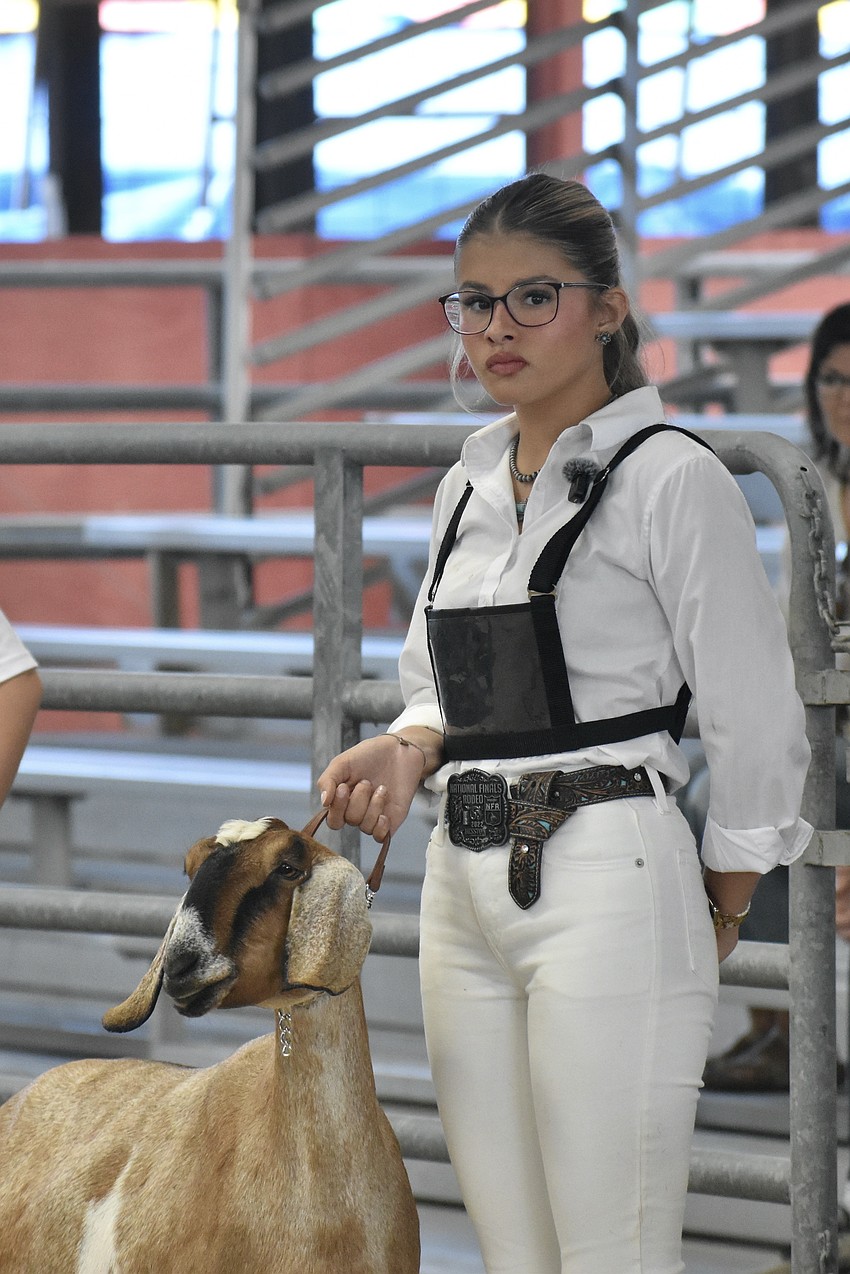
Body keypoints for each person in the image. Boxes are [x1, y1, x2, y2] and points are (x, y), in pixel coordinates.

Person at [316, 173, 812, 1274]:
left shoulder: (670, 476)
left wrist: (723, 900)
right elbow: (434, 681)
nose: (496, 327)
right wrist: (405, 745)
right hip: (462, 879)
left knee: (613, 1256)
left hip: (609, 867)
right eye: (473, 301)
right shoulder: (469, 478)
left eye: (533, 297)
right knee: (515, 1256)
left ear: (608, 306)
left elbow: (754, 712)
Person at [701, 301, 850, 1092]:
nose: (843, 396)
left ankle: (797, 1031)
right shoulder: (811, 484)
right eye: (830, 377)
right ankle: (779, 1025)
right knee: (714, 785)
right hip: (820, 716)